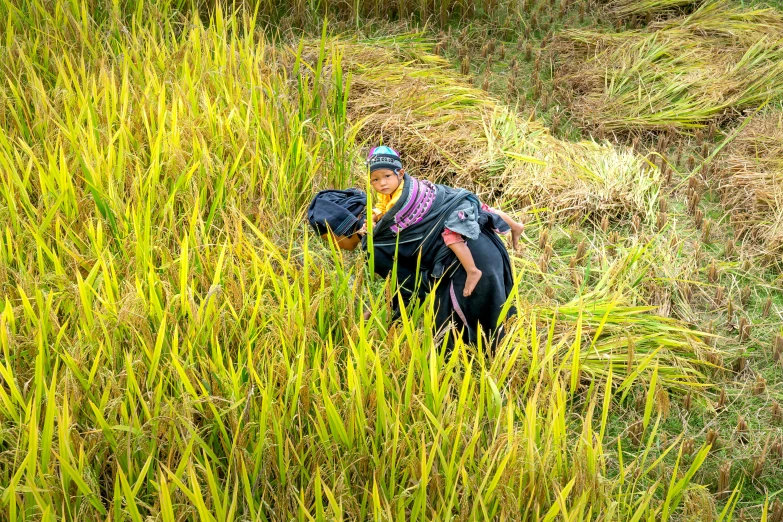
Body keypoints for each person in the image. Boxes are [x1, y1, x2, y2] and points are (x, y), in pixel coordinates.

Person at [307, 153, 518, 350]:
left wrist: (369, 320)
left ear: (338, 232)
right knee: (495, 331)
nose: (334, 247)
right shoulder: (387, 212)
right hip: (483, 240)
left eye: (329, 240)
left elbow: (410, 290)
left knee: (462, 349)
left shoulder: (377, 242)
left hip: (467, 266)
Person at [365, 146, 524, 297]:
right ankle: (515, 226)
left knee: (451, 236)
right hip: (447, 198)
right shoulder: (388, 191)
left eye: (387, 176)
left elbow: (395, 217)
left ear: (400, 173)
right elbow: (382, 207)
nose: (382, 183)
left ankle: (472, 270)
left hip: (446, 207)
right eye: (375, 180)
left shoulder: (404, 196)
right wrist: (373, 217)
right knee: (484, 209)